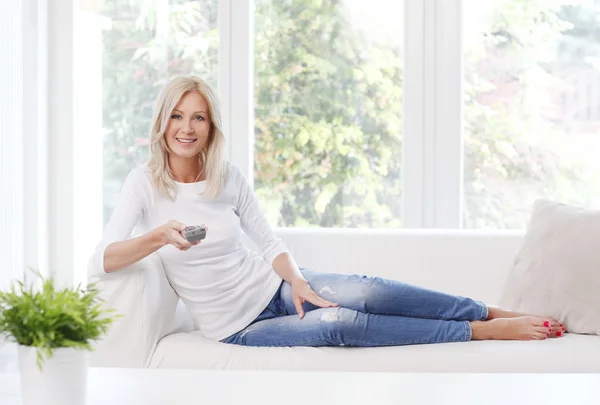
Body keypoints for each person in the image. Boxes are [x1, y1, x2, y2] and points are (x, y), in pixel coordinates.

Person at [90, 75, 565, 348]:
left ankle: (485, 308)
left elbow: (270, 243)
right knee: (339, 324)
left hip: (274, 287)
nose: (186, 128)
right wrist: (158, 237)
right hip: (236, 327)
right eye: (177, 115)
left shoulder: (227, 177)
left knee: (369, 292)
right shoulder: (144, 183)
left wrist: (297, 281)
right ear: (162, 122)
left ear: (211, 128)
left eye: (198, 117)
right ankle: (478, 332)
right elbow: (104, 258)